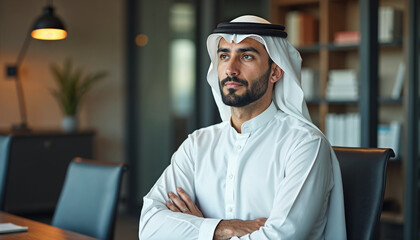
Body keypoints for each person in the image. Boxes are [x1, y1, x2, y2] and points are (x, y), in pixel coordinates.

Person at [139, 15, 346, 240]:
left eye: (246, 56)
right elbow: (149, 226)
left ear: (275, 72)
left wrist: (198, 228)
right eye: (224, 56)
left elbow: (280, 238)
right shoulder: (198, 144)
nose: (230, 68)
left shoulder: (305, 144)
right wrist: (223, 228)